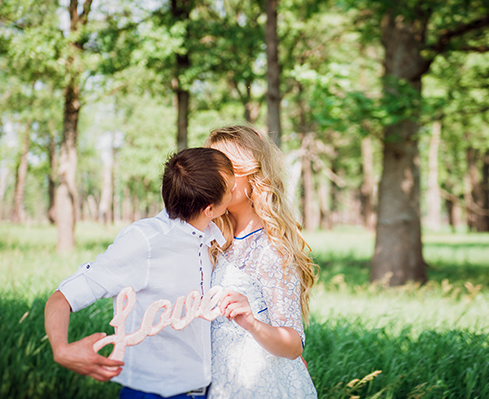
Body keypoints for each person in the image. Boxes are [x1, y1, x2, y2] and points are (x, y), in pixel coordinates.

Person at [44, 147, 236, 399]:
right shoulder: (144, 241)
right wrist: (61, 349)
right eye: (231, 189)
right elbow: (63, 297)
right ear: (209, 209)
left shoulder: (211, 235)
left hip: (203, 390)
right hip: (153, 393)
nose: (236, 191)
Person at [204, 125, 318, 398]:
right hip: (213, 380)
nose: (218, 177)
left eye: (228, 167)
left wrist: (252, 322)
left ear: (253, 172)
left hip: (258, 384)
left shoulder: (272, 248)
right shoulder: (209, 238)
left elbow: (293, 345)